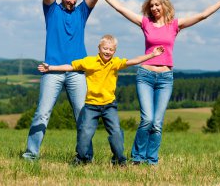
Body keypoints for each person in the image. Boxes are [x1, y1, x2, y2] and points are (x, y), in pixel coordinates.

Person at [90, 0, 220, 165]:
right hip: (145, 75)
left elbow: (202, 15)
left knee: (157, 123)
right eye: (151, 6)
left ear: (164, 5)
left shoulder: (175, 25)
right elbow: (120, 8)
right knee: (147, 119)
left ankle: (151, 160)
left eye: (157, 5)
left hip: (165, 78)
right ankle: (137, 158)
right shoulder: (146, 24)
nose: (154, 8)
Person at [37, 35, 165, 165]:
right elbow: (70, 67)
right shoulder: (89, 61)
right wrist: (51, 68)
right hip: (91, 106)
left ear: (114, 51)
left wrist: (152, 55)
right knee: (85, 133)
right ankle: (82, 158)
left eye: (111, 49)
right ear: (99, 48)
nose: (107, 52)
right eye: (105, 48)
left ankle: (119, 159)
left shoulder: (115, 63)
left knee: (116, 133)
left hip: (109, 106)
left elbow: (133, 61)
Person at [22, 0, 100, 160]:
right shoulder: (51, 10)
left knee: (82, 116)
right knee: (42, 113)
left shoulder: (82, 12)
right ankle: (31, 154)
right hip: (52, 71)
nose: (72, 1)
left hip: (77, 72)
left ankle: (85, 157)